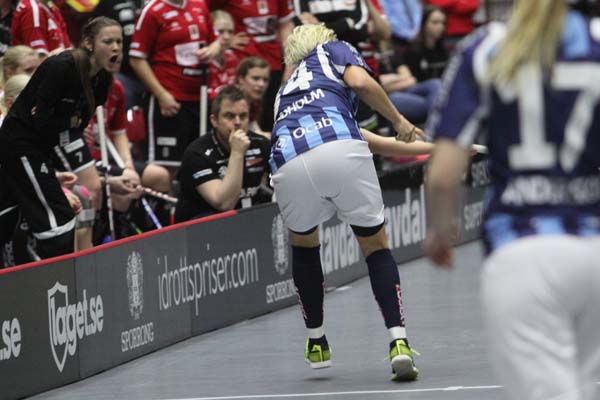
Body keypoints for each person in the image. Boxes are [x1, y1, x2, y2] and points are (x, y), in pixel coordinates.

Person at [424, 1, 600, 399]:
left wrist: (439, 230)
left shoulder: (486, 47)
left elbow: (442, 174)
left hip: (520, 250)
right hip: (592, 248)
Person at [270, 24, 423, 381]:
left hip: (287, 158)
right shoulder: (333, 51)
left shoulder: (285, 90)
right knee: (375, 246)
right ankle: (398, 343)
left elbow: (356, 133)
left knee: (304, 243)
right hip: (339, 147)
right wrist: (399, 120)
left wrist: (428, 145)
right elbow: (361, 83)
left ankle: (316, 341)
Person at [0, 16, 121, 259]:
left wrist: (67, 124)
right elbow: (40, 120)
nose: (116, 48)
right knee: (60, 217)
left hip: (45, 148)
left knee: (8, 213)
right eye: (108, 41)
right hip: (19, 146)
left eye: (119, 42)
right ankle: (58, 277)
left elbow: (76, 126)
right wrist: (69, 122)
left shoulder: (103, 81)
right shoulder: (62, 66)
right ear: (88, 43)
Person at [129, 0, 221, 173]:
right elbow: (136, 59)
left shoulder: (199, 5)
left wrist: (212, 50)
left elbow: (216, 41)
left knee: (200, 163)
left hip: (200, 98)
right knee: (167, 168)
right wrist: (161, 94)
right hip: (170, 100)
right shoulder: (152, 11)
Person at [175, 85, 270, 223]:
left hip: (249, 221)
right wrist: (237, 153)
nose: (237, 122)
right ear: (214, 120)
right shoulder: (197, 153)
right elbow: (224, 204)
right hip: (203, 227)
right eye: (229, 116)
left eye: (243, 116)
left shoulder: (261, 144)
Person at [210, 0, 295, 132]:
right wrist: (224, 41)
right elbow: (203, 16)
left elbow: (286, 25)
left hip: (274, 62)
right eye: (222, 32)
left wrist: (290, 65)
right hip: (240, 62)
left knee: (270, 114)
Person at [404, 6, 448, 82]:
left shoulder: (445, 50)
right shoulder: (413, 52)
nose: (440, 27)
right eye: (435, 22)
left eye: (443, 23)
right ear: (424, 24)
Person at [207, 10, 239, 101]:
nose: (227, 37)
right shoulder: (202, 61)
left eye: (230, 32)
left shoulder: (232, 57)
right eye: (220, 32)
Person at [235, 56, 270, 136]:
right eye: (255, 78)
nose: (261, 84)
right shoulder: (230, 102)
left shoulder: (254, 103)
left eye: (265, 80)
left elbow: (253, 127)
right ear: (241, 79)